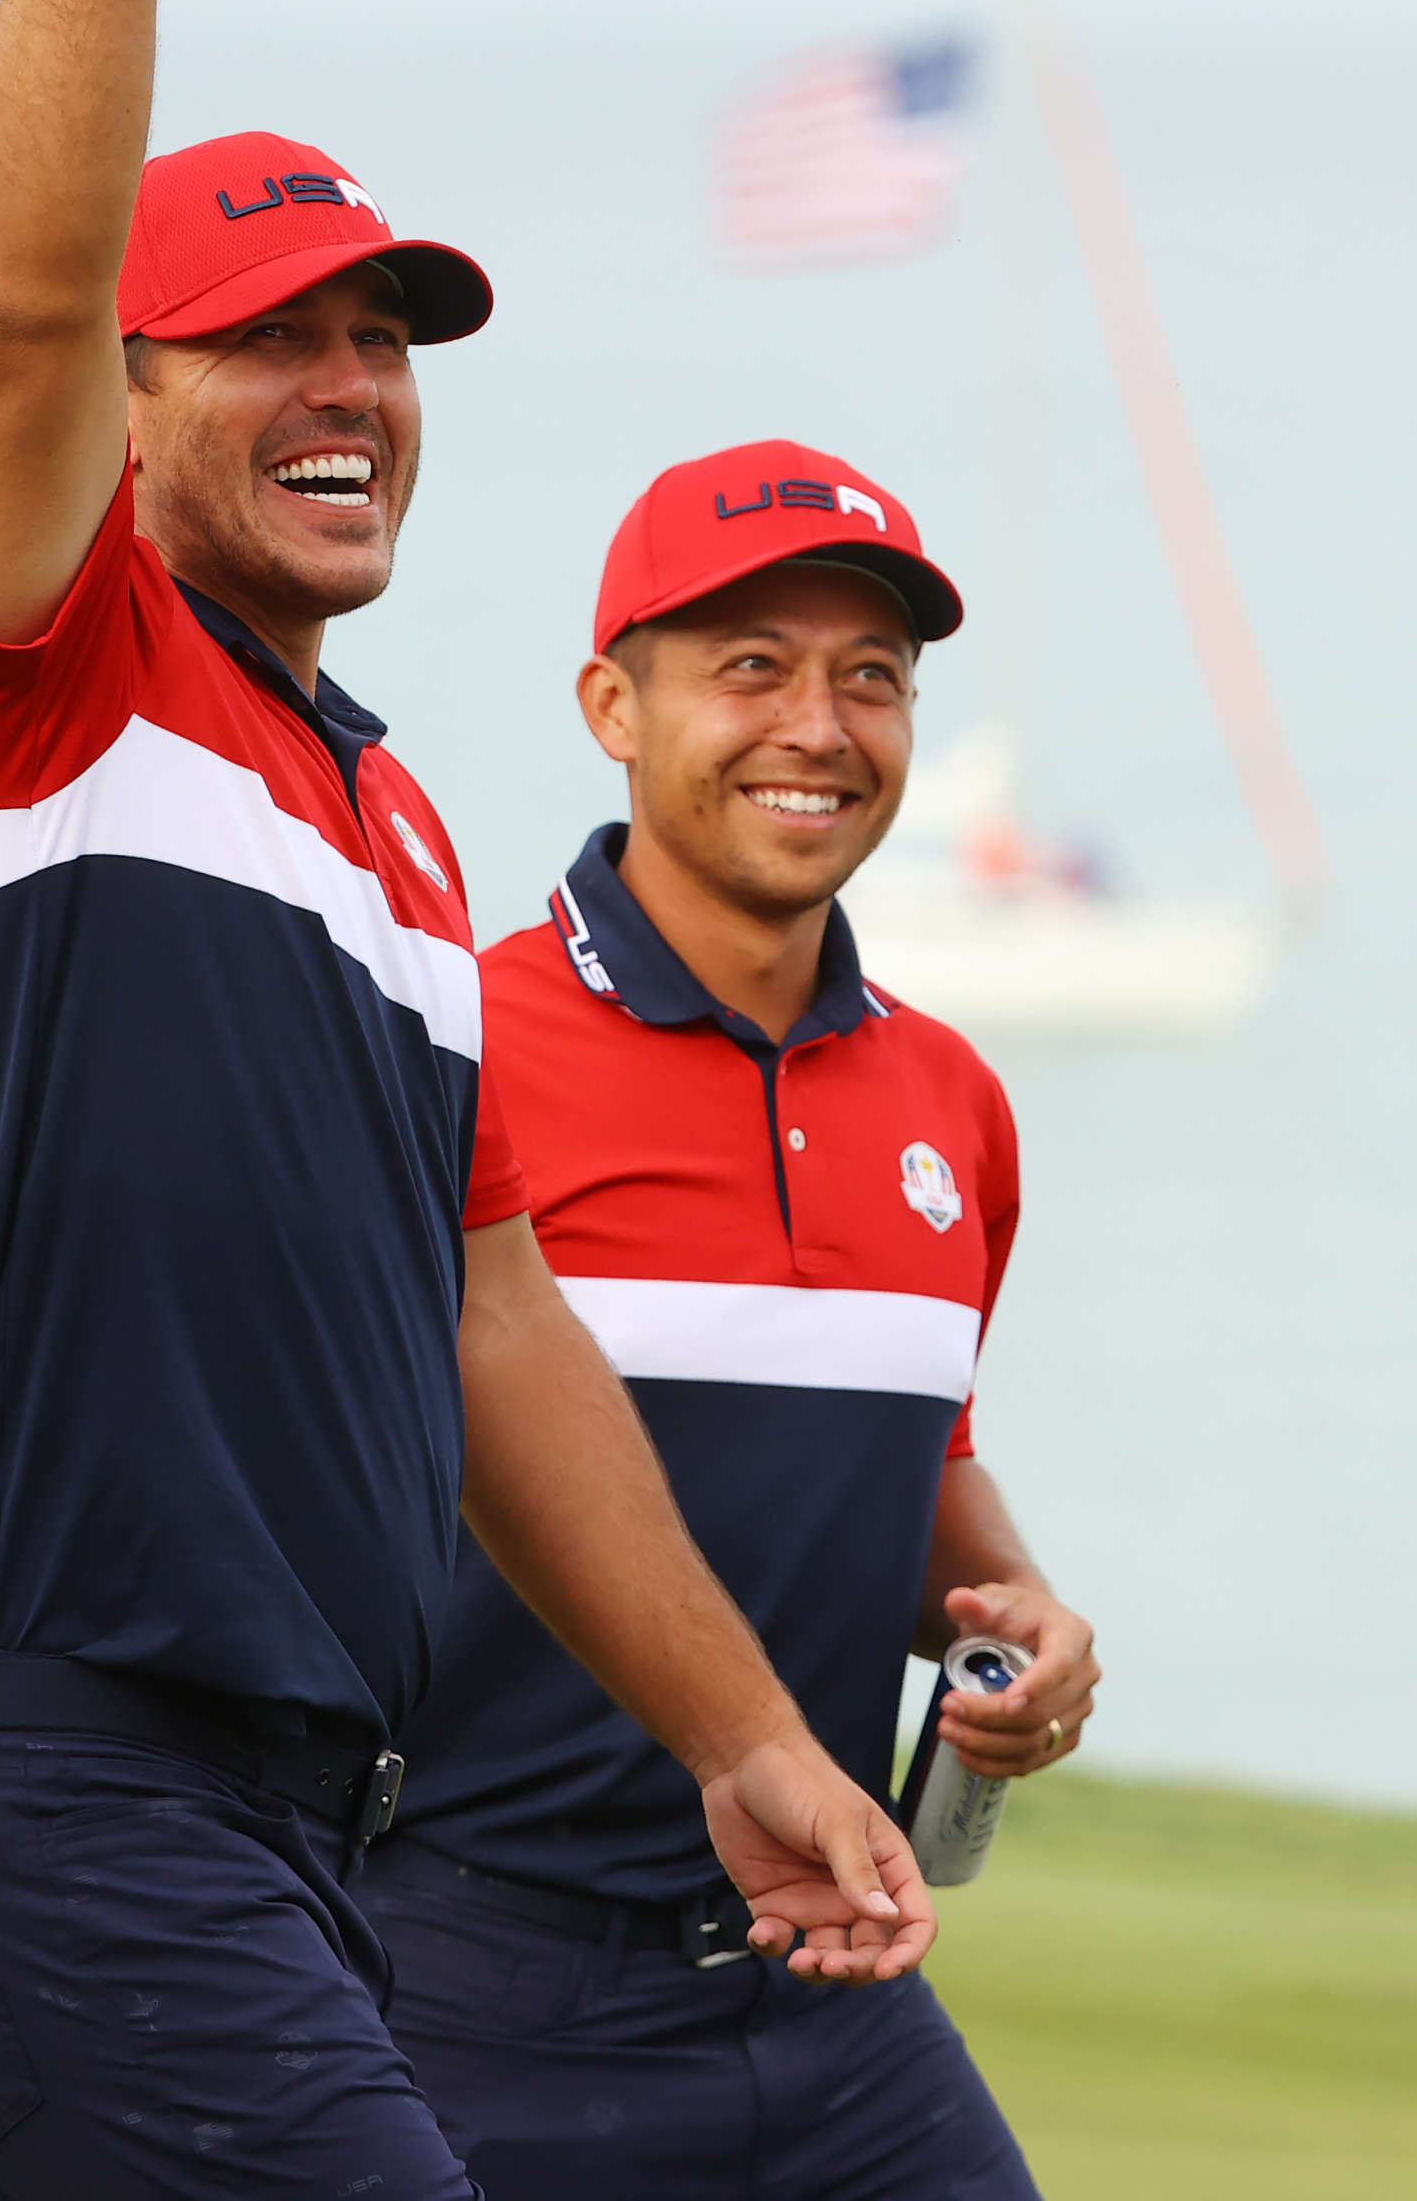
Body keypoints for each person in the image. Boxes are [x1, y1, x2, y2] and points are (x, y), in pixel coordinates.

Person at [0, 0, 939, 2201]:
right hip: (73, 1801)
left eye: (382, 340)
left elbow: (493, 1327)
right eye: (264, 344)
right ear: (132, 403)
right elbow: (6, 301)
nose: (350, 386)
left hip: (299, 1833)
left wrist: (751, 1741)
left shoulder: (405, 824)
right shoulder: (32, 680)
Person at [358, 439, 1102, 2200]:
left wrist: (1019, 1616)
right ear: (614, 704)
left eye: (871, 679)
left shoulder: (954, 1101)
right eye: (750, 667)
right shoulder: (449, 1038)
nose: (818, 728)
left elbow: (913, 1452)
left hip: (831, 1978)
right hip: (455, 1977)